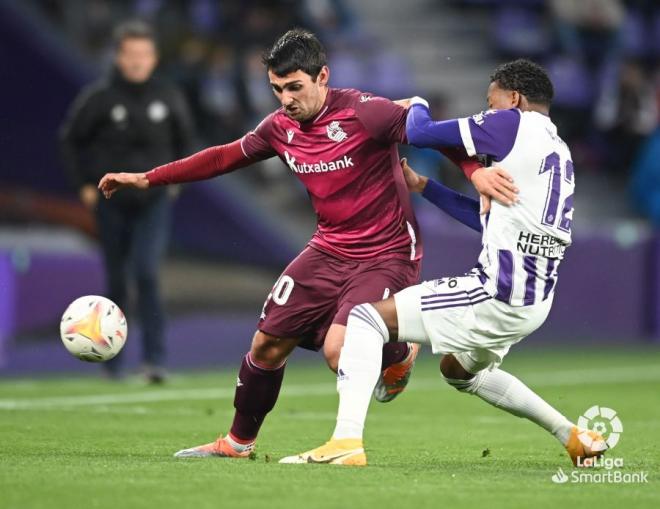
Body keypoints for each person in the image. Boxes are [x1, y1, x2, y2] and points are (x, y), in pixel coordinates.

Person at [99, 29, 514, 458]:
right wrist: (149, 177)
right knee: (266, 344)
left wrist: (474, 173)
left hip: (386, 253)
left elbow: (432, 134)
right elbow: (223, 156)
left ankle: (396, 349)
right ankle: (238, 442)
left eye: (295, 87)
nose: (286, 99)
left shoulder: (365, 112)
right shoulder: (279, 127)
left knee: (339, 352)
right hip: (328, 248)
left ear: (322, 77)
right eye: (277, 89)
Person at [281, 59, 607, 467]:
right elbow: (488, 221)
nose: (488, 110)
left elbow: (418, 131)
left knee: (365, 319)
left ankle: (346, 440)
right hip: (535, 302)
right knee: (458, 370)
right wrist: (425, 187)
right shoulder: (557, 149)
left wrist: (415, 101)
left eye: (491, 102)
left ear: (514, 99)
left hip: (496, 292)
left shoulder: (511, 124)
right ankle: (575, 436)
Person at [60, 20, 195, 382]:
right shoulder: (100, 98)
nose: (137, 61)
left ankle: (155, 360)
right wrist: (84, 184)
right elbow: (71, 140)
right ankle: (110, 362)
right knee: (118, 279)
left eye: (144, 54)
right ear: (119, 57)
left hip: (153, 202)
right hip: (110, 203)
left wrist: (177, 180)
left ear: (154, 58)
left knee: (147, 273)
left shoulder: (168, 96)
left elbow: (187, 140)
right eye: (130, 54)